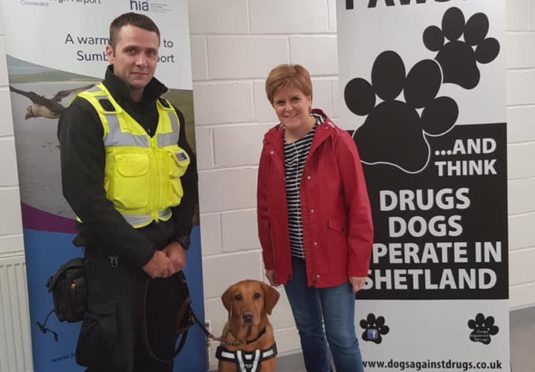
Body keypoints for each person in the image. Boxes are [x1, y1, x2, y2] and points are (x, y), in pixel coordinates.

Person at [57, 12, 198, 372]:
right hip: (115, 266)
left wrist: (180, 240)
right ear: (110, 52)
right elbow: (84, 197)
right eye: (131, 50)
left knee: (158, 358)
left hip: (165, 263)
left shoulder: (169, 113)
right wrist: (144, 255)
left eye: (151, 52)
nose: (142, 61)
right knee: (115, 364)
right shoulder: (86, 112)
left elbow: (188, 180)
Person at [257, 64, 374, 372]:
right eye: (279, 102)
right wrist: (271, 259)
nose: (288, 108)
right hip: (292, 260)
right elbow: (265, 208)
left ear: (308, 97)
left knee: (341, 337)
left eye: (295, 98)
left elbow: (359, 208)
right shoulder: (271, 145)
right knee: (308, 333)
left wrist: (358, 264)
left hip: (333, 258)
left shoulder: (337, 142)